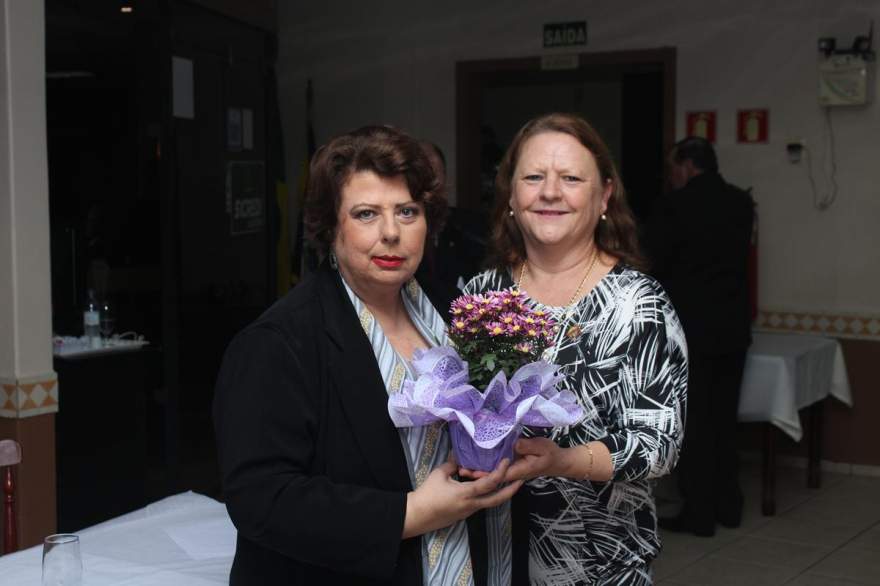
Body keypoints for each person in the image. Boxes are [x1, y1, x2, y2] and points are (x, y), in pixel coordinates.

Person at [213, 125, 521, 585]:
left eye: (407, 211)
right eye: (365, 214)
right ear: (329, 224)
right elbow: (261, 499)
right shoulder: (279, 342)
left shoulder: (450, 313)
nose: (391, 233)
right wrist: (411, 512)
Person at [462, 112, 688, 585]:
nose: (549, 192)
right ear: (510, 194)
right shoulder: (482, 295)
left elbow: (659, 447)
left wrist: (562, 460)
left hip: (593, 562)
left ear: (604, 195)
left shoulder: (637, 305)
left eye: (570, 178)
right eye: (533, 177)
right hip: (487, 551)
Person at [647, 136, 754, 537]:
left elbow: (653, 260)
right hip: (733, 327)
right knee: (725, 422)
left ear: (687, 165)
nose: (672, 176)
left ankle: (700, 513)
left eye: (675, 167)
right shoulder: (740, 203)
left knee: (694, 425)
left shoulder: (675, 206)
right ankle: (729, 504)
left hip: (692, 329)